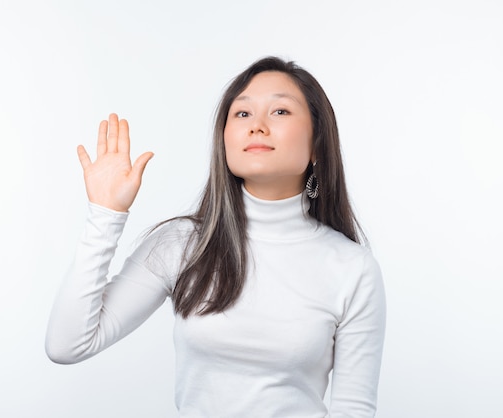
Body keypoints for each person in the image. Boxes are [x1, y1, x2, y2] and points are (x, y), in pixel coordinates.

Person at [46, 56, 386, 417]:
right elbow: (67, 345)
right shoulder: (183, 244)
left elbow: (354, 410)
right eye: (242, 114)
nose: (257, 126)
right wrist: (105, 214)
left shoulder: (352, 268)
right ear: (224, 139)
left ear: (318, 143)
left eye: (280, 112)